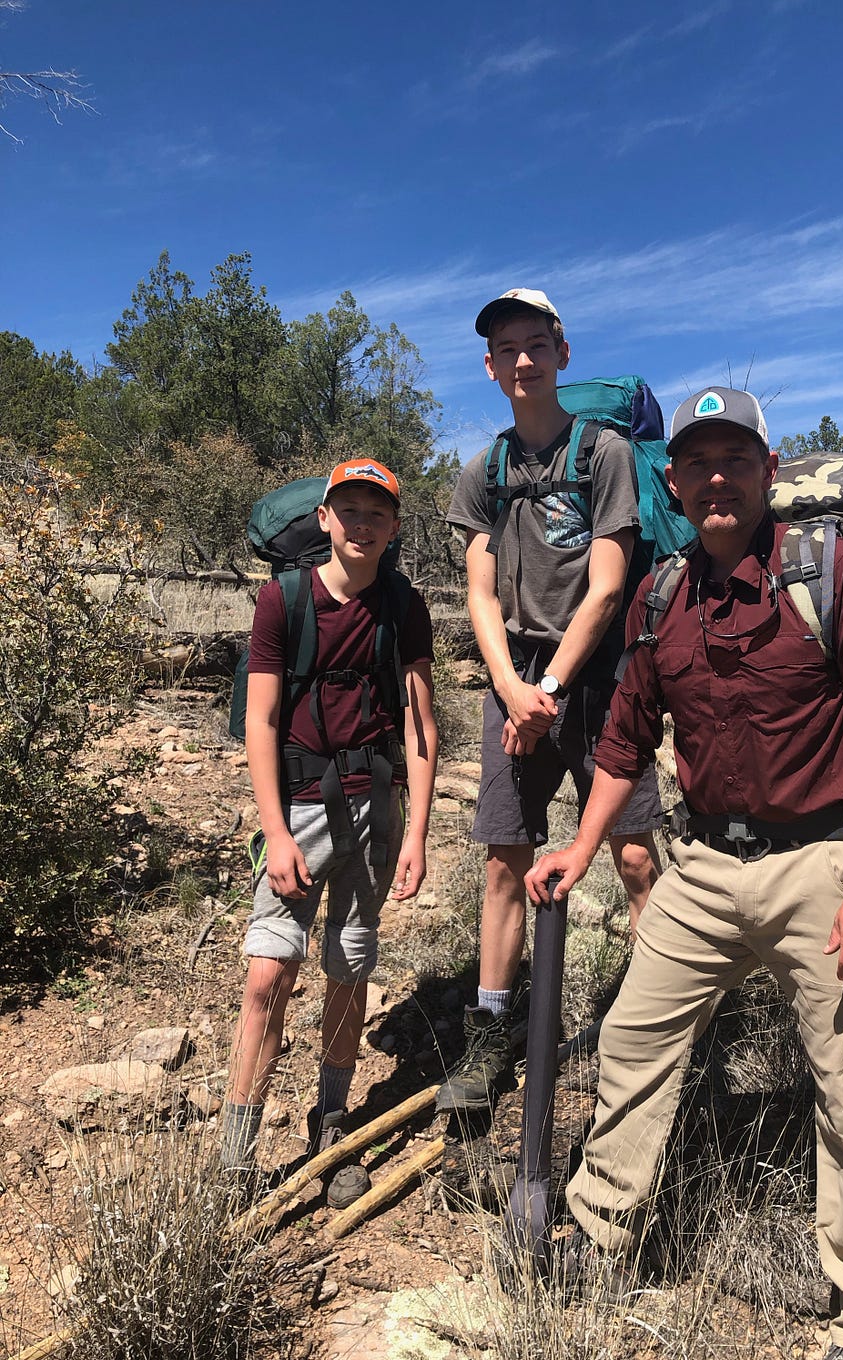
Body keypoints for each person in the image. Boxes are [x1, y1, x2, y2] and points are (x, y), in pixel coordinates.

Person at [526, 388, 843, 1360]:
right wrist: (579, 852)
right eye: (698, 462)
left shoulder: (833, 576)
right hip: (701, 865)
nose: (715, 476)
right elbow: (624, 743)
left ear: (767, 470)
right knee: (630, 1045)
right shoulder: (663, 598)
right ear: (674, 480)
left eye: (734, 459)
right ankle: (598, 1231)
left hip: (821, 864)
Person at [439, 288, 663, 1113]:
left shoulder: (602, 453)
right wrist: (509, 687)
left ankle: (655, 1023)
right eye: (507, 348)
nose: (523, 359)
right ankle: (492, 1030)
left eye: (536, 344)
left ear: (562, 354)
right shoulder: (484, 470)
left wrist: (551, 688)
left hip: (599, 674)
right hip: (517, 677)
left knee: (635, 854)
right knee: (504, 859)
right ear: (490, 366)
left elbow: (607, 588)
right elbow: (479, 591)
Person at [221, 458, 438, 1207]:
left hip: (375, 810)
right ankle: (235, 1160)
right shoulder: (284, 600)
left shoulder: (404, 606)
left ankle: (332, 1123)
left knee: (349, 969)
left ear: (394, 527)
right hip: (303, 807)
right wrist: (275, 832)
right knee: (267, 975)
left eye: (376, 512)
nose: (361, 523)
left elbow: (420, 725)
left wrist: (415, 834)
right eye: (348, 509)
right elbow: (261, 719)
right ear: (324, 518)